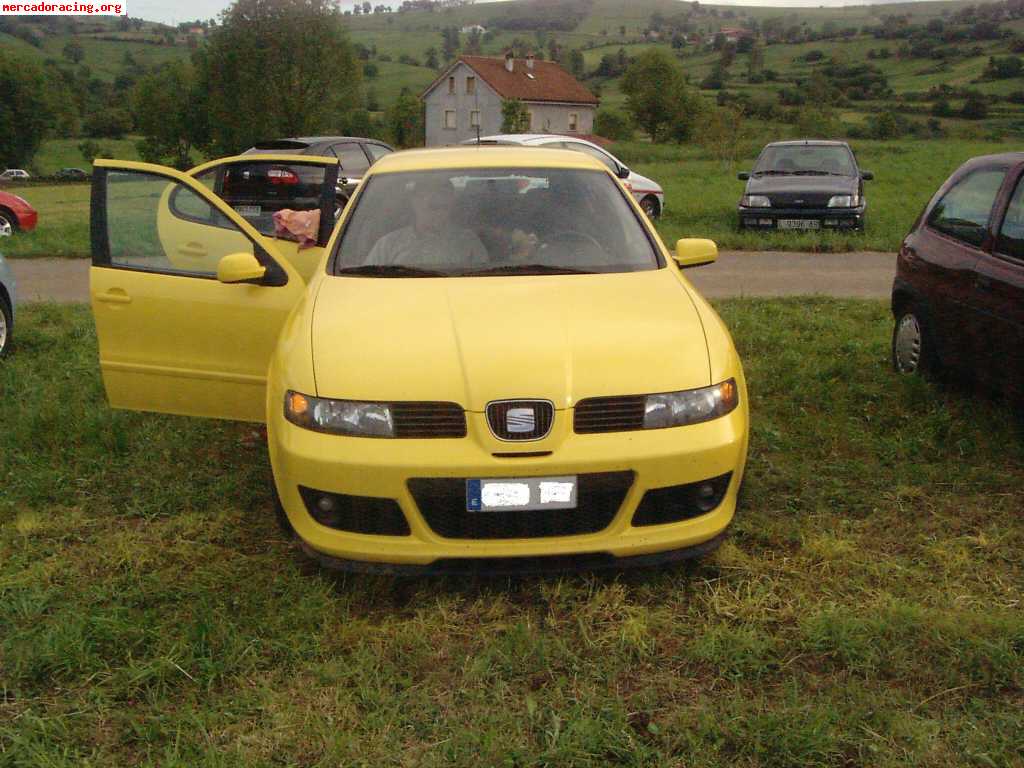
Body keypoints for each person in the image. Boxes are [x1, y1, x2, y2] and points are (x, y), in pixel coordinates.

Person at [366, 176, 488, 267]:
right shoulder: (387, 244)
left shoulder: (468, 242)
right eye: (431, 206)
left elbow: (485, 284)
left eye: (441, 206)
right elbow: (366, 284)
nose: (436, 212)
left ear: (451, 204)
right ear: (414, 202)